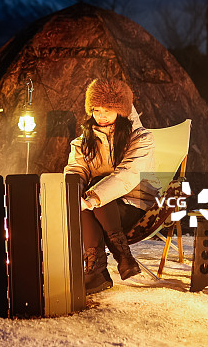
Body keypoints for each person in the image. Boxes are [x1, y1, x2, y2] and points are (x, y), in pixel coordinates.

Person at [64, 77, 160, 294]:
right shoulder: (83, 140)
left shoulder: (141, 138)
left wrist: (91, 199)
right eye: (96, 109)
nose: (101, 115)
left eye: (108, 108)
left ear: (122, 109)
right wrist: (74, 196)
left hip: (135, 204)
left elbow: (127, 175)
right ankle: (108, 265)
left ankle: (109, 262)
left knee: (95, 193)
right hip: (99, 208)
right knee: (84, 205)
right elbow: (76, 170)